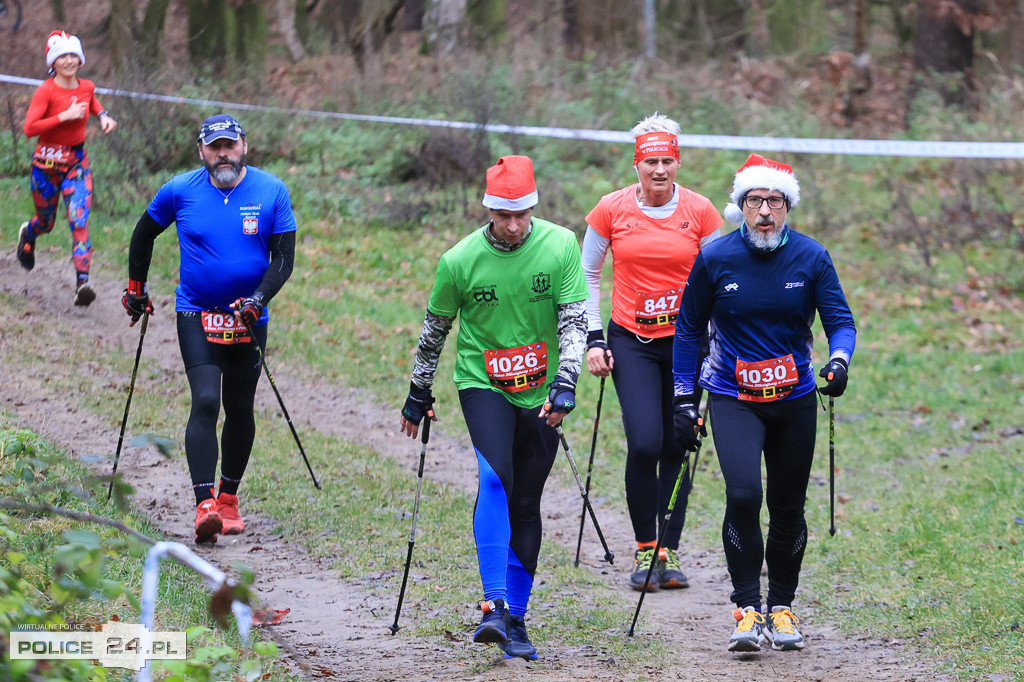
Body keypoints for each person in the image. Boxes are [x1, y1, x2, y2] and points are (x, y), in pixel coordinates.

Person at [399, 155, 587, 660]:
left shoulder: (561, 245)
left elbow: (574, 322)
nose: (513, 225)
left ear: (533, 206)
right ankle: (494, 606)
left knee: (526, 500)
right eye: (503, 215)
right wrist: (419, 392)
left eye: (522, 213)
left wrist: (566, 383)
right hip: (484, 384)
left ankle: (518, 619)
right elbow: (434, 333)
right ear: (487, 210)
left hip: (544, 386)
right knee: (493, 480)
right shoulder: (459, 260)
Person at [672, 153, 856, 652]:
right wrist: (684, 400)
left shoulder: (811, 257)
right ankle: (747, 608)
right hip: (734, 397)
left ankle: (782, 608)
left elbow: (841, 321)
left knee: (789, 507)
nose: (765, 212)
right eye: (756, 201)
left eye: (775, 201)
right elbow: (688, 329)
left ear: (787, 205)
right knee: (745, 495)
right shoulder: (715, 257)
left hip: (795, 398)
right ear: (741, 206)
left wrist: (838, 362)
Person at [122, 114, 296, 545]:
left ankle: (229, 497)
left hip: (249, 317)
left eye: (229, 145)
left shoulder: (271, 190)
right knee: (204, 400)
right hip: (196, 312)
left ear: (244, 147)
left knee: (240, 408)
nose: (223, 154)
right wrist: (135, 290)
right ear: (201, 150)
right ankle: (204, 505)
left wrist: (258, 299)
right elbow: (143, 235)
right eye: (214, 146)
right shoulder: (179, 190)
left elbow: (283, 260)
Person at [582, 113, 723, 592]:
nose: (659, 170)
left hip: (687, 344)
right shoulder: (610, 209)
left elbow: (721, 281)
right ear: (637, 164)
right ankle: (645, 548)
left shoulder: (702, 212)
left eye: (667, 161)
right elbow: (587, 275)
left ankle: (669, 547)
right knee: (645, 442)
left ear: (678, 162)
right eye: (650, 162)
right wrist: (594, 338)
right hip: (631, 341)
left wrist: (719, 344)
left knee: (678, 442)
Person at [17, 30, 118, 306]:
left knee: (79, 221)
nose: (69, 61)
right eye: (63, 56)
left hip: (76, 165)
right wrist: (64, 116)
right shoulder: (46, 91)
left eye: (74, 55)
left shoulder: (86, 87)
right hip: (45, 167)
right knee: (46, 222)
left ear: (81, 59)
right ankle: (29, 233)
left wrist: (104, 116)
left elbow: (92, 100)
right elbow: (29, 129)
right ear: (53, 62)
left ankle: (83, 283)